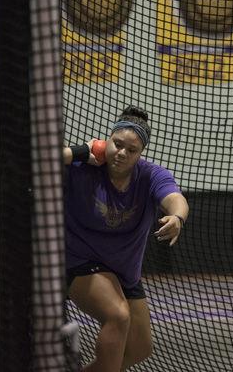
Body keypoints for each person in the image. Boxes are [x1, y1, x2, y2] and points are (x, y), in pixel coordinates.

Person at [62, 105, 189, 372]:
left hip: (124, 272)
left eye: (131, 150)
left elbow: (175, 198)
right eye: (117, 144)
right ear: (107, 140)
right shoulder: (82, 168)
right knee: (118, 316)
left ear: (140, 154)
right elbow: (35, 160)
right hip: (80, 261)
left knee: (140, 349)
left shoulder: (150, 175)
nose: (121, 153)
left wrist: (177, 218)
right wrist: (78, 151)